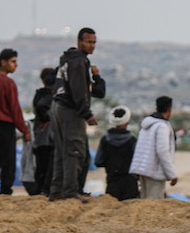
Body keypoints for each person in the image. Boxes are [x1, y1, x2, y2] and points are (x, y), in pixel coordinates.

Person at [49, 27, 106, 201]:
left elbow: (95, 91)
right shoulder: (79, 62)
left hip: (58, 106)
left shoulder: (68, 60)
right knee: (74, 150)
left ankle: (57, 191)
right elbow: (78, 90)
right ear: (80, 41)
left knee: (62, 151)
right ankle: (70, 191)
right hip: (70, 110)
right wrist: (86, 114)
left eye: (94, 42)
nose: (92, 45)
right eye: (89, 42)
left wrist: (96, 77)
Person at [0, 48, 32, 195]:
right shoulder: (8, 82)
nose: (15, 65)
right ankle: (5, 189)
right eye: (13, 61)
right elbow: (14, 109)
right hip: (6, 125)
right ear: (3, 62)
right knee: (8, 161)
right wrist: (24, 130)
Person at [130, 96, 177, 199]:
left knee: (144, 202)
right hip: (155, 173)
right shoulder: (162, 126)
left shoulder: (146, 125)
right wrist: (172, 174)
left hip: (143, 170)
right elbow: (163, 152)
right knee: (154, 204)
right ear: (169, 110)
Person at [95, 105, 139, 200]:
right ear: (127, 121)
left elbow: (98, 162)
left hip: (112, 182)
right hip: (130, 183)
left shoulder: (104, 140)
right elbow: (138, 162)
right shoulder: (132, 141)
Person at [29, 67, 57, 197]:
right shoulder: (49, 95)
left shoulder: (39, 94)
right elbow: (41, 106)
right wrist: (47, 119)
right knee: (47, 167)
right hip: (47, 137)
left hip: (40, 137)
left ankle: (39, 190)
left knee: (41, 166)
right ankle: (44, 190)